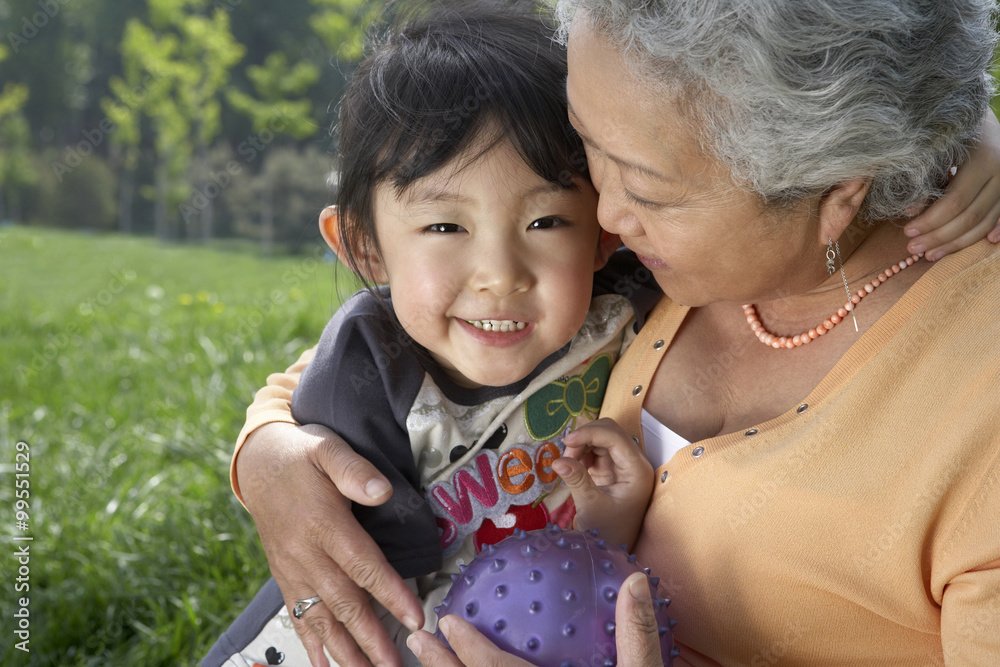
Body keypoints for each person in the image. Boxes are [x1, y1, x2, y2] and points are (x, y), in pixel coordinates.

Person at [228, 0, 1000, 665]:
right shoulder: (651, 260)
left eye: (647, 187)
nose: (600, 220)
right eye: (589, 150)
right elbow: (408, 350)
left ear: (837, 192)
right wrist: (270, 453)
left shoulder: (973, 432)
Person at [204, 4, 660, 666]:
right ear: (365, 247)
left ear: (604, 229)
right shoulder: (369, 365)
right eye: (445, 227)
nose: (501, 277)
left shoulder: (623, 314)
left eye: (547, 222)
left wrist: (608, 526)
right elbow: (387, 596)